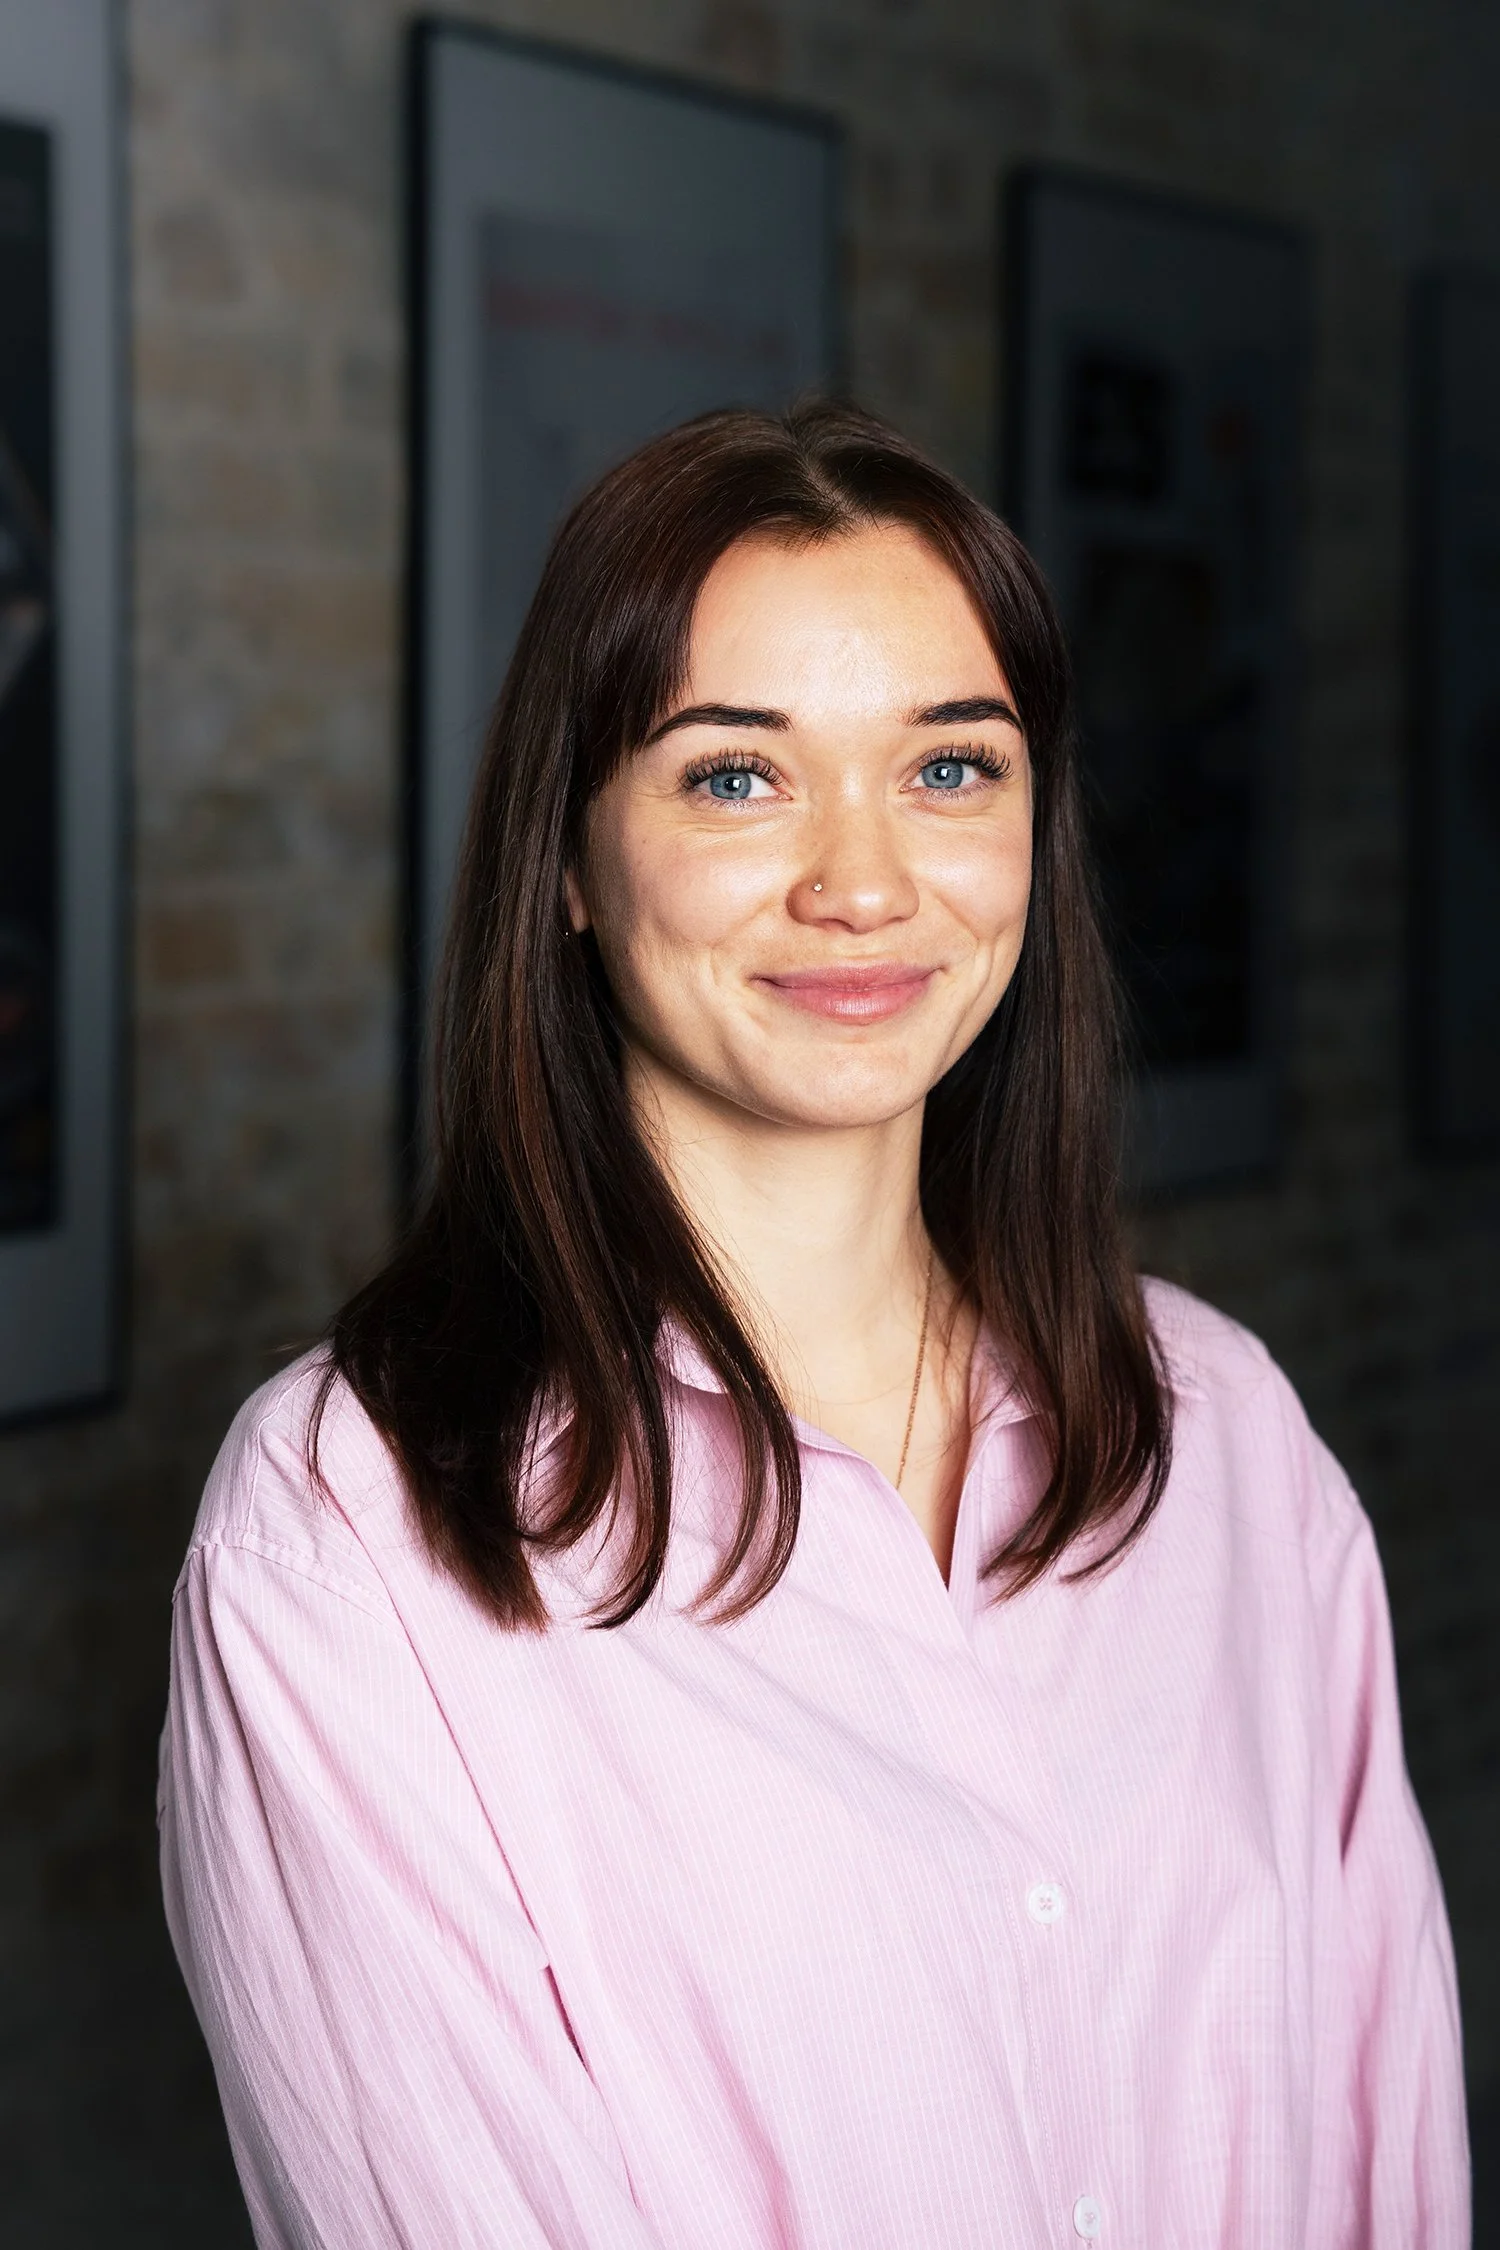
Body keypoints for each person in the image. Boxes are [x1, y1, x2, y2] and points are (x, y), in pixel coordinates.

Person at [159, 398, 1469, 2249]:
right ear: (568, 861)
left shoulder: (1232, 1441)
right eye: (736, 776)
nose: (864, 882)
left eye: (950, 768)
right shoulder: (352, 1537)